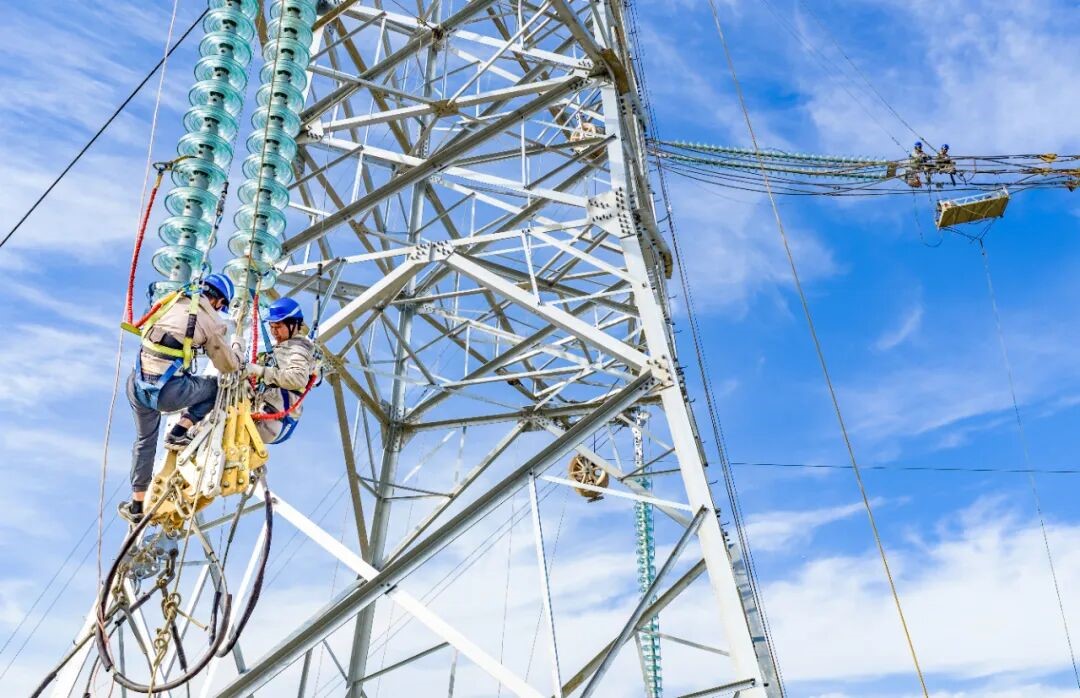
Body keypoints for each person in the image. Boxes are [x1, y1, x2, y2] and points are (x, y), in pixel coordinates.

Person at [119, 274, 242, 523]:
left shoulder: (171, 300)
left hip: (137, 385)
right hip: (167, 393)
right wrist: (238, 351)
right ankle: (179, 431)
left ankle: (137, 505)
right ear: (218, 301)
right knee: (217, 388)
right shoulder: (211, 321)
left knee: (145, 442)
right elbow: (228, 365)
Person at [248, 297, 318, 445]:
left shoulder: (298, 348)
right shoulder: (281, 349)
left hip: (270, 419)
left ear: (293, 325)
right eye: (272, 327)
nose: (274, 332)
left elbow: (297, 378)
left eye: (278, 326)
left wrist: (261, 371)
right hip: (265, 417)